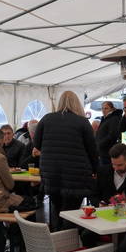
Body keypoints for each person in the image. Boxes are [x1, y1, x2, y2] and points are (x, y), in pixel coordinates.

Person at [33, 90, 97, 230]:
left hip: (51, 173)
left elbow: (36, 143)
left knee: (57, 209)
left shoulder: (46, 119)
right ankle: (67, 239)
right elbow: (92, 150)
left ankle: (57, 237)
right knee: (71, 212)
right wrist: (94, 170)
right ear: (77, 103)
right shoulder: (82, 122)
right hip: (76, 175)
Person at [96, 100, 123, 166]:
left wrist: (100, 144)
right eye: (102, 108)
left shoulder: (113, 118)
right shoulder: (106, 118)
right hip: (103, 151)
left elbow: (112, 135)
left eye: (106, 108)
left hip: (108, 151)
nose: (103, 110)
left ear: (111, 109)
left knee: (107, 168)